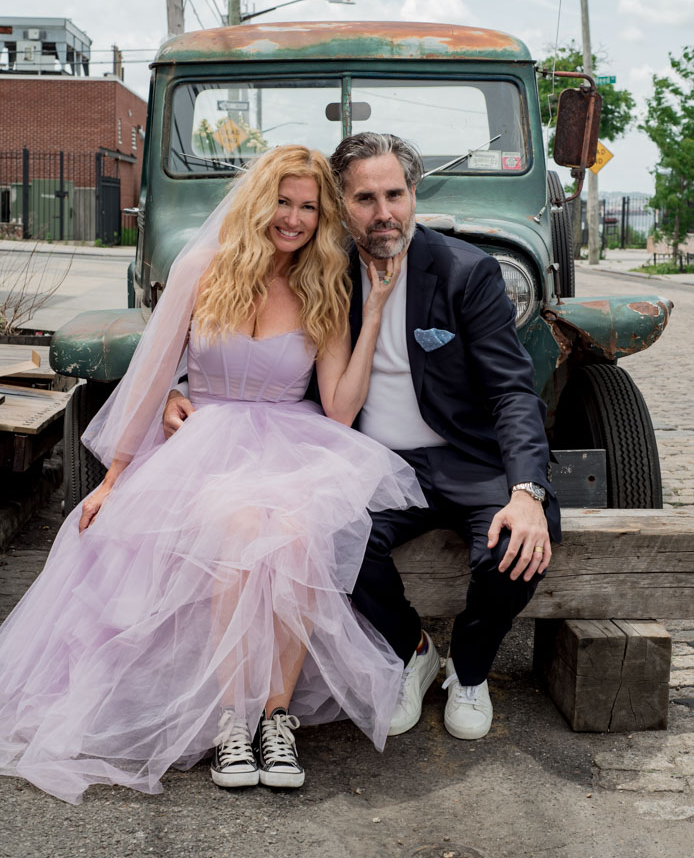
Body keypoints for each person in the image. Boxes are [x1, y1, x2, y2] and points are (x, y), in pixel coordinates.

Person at [0, 145, 426, 805]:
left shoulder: (324, 282)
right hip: (207, 441)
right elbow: (151, 374)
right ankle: (235, 719)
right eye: (283, 201)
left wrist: (371, 314)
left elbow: (340, 410)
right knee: (232, 523)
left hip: (295, 438)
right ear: (259, 199)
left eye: (309, 207)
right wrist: (115, 476)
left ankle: (275, 717)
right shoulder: (202, 268)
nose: (293, 218)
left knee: (293, 528)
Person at [327, 131, 560, 742]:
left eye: (395, 195)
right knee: (325, 536)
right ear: (341, 202)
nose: (383, 214)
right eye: (365, 198)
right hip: (373, 462)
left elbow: (512, 390)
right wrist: (181, 384)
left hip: (467, 459)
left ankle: (472, 669)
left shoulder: (465, 271)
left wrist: (528, 491)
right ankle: (413, 648)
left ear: (414, 193)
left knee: (517, 548)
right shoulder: (323, 275)